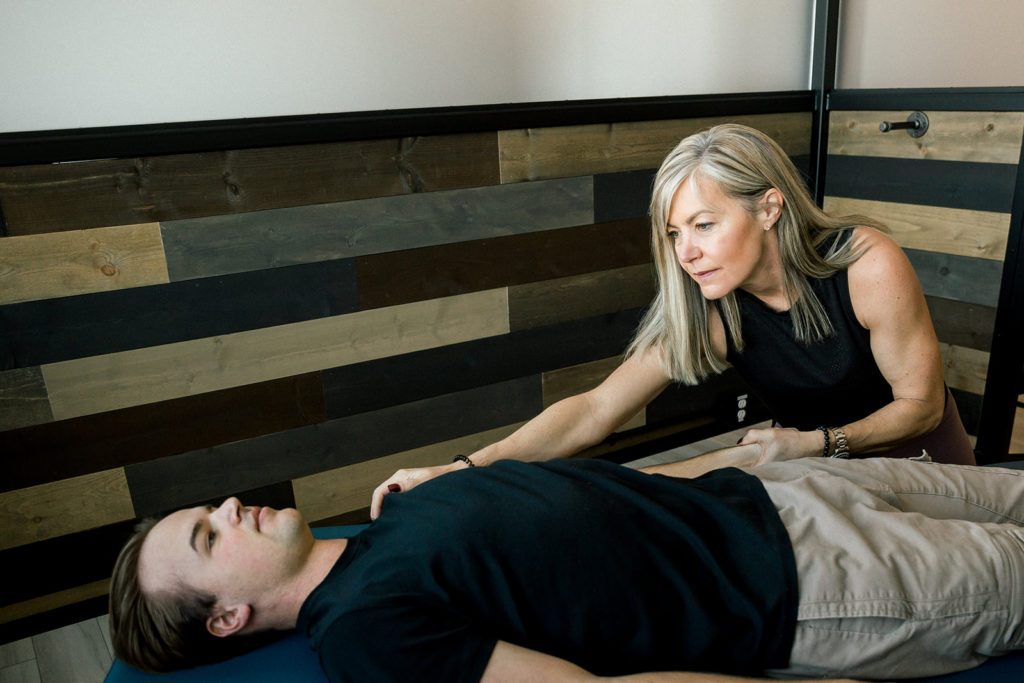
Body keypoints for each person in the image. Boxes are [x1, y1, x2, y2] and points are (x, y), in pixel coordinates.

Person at [370, 124, 974, 518]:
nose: (685, 253)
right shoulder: (716, 308)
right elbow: (595, 411)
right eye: (675, 233)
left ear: (768, 208)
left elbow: (919, 406)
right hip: (816, 472)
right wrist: (462, 470)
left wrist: (817, 442)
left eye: (704, 225)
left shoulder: (866, 263)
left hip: (925, 469)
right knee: (657, 487)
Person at [110, 448, 1024, 681]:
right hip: (813, 586)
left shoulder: (388, 516)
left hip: (776, 490)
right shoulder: (365, 634)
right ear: (225, 616)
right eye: (208, 537)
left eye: (208, 509)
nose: (230, 508)